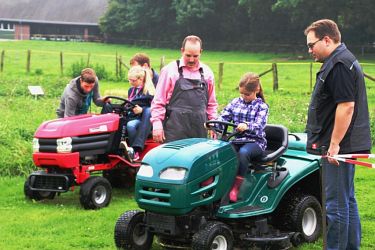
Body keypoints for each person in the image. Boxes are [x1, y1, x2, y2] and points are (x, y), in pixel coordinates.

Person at [304, 19, 371, 250]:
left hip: (339, 148)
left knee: (336, 205)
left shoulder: (340, 64)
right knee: (347, 200)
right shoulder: (339, 61)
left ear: (327, 39)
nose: (310, 50)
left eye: (312, 45)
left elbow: (346, 106)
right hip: (344, 145)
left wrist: (334, 144)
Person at [151, 35, 218, 143]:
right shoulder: (169, 70)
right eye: (188, 55)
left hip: (200, 128)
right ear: (182, 51)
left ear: (201, 52)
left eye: (195, 56)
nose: (191, 60)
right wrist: (157, 124)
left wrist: (214, 124)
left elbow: (212, 104)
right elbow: (158, 101)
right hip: (174, 127)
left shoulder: (207, 73)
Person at [216, 73, 268, 202]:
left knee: (243, 153)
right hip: (237, 139)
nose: (244, 97)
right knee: (222, 151)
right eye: (242, 94)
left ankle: (236, 187)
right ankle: (219, 182)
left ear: (256, 90)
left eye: (247, 94)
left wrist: (247, 125)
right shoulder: (235, 102)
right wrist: (213, 123)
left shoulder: (262, 107)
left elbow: (259, 125)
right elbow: (224, 117)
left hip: (255, 142)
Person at [122, 65, 155, 161]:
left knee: (131, 125)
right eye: (129, 80)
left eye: (133, 80)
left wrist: (142, 110)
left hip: (145, 120)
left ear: (141, 79)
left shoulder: (150, 91)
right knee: (127, 124)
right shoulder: (131, 90)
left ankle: (136, 150)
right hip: (133, 116)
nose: (130, 83)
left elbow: (155, 108)